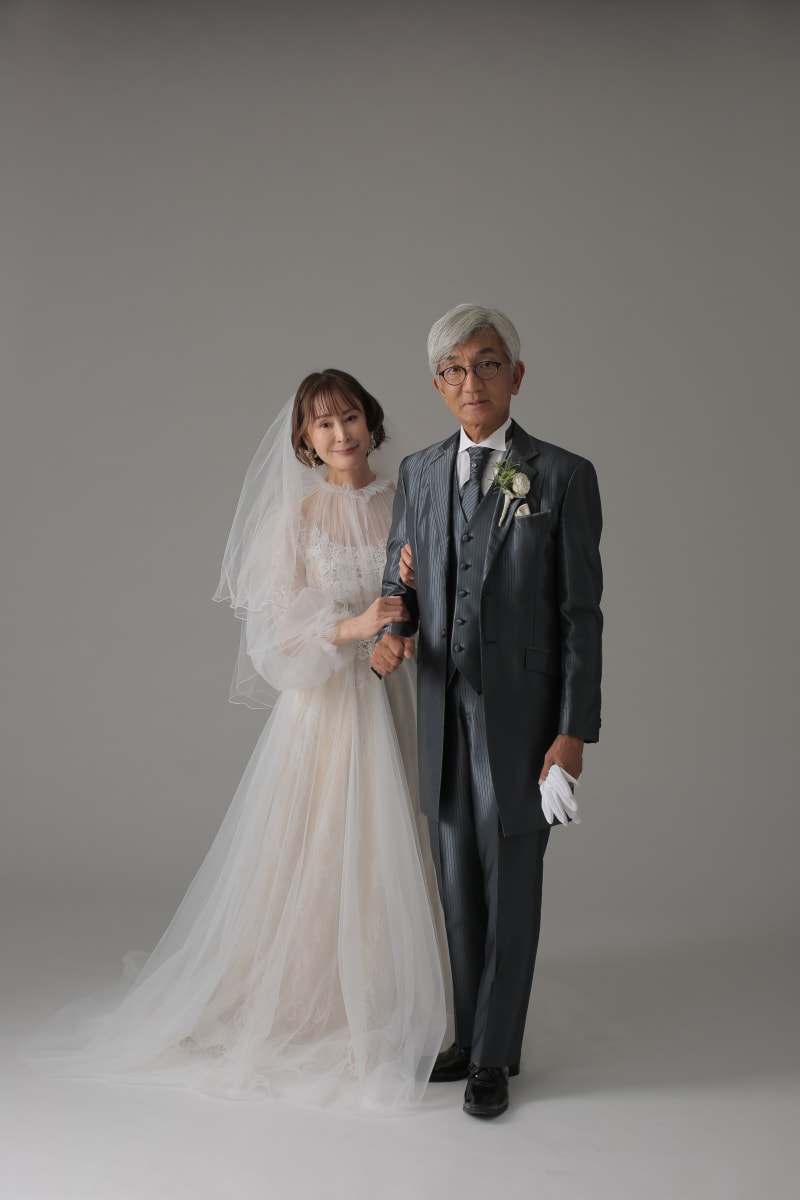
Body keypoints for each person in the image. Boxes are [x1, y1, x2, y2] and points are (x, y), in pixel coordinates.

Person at [27, 370, 448, 1111]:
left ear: (371, 421)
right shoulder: (295, 519)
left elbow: (439, 593)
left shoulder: (409, 499)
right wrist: (358, 625)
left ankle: (413, 992)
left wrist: (405, 623)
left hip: (404, 690)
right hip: (332, 707)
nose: (341, 433)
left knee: (404, 833)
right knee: (329, 843)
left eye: (350, 416)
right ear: (304, 439)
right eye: (323, 424)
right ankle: (328, 999)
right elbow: (278, 636)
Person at [371, 305, 603, 1119]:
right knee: (458, 887)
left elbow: (580, 617)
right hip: (441, 708)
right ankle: (468, 1037)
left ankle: (497, 1056)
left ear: (516, 375)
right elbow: (398, 581)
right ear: (438, 385)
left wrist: (572, 733)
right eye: (455, 369)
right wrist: (392, 627)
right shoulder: (420, 472)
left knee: (512, 889)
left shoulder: (563, 475)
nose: (472, 381)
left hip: (526, 719)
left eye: (488, 363)